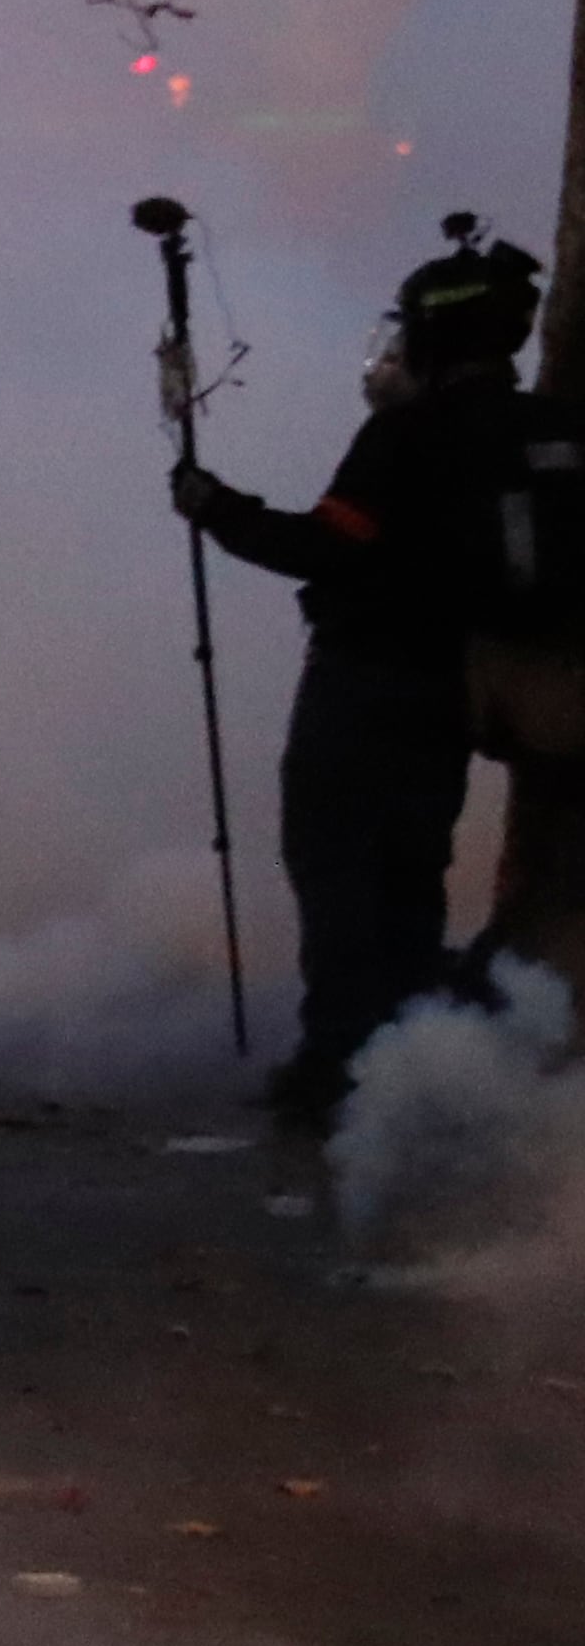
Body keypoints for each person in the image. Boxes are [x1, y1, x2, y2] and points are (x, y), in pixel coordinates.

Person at [176, 220, 543, 1125]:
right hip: (461, 687)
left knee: (338, 869)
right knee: (415, 873)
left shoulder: (405, 437)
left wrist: (216, 507)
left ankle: (339, 1067)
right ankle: (412, 1062)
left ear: (433, 337)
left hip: (363, 681)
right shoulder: (541, 428)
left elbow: (326, 550)